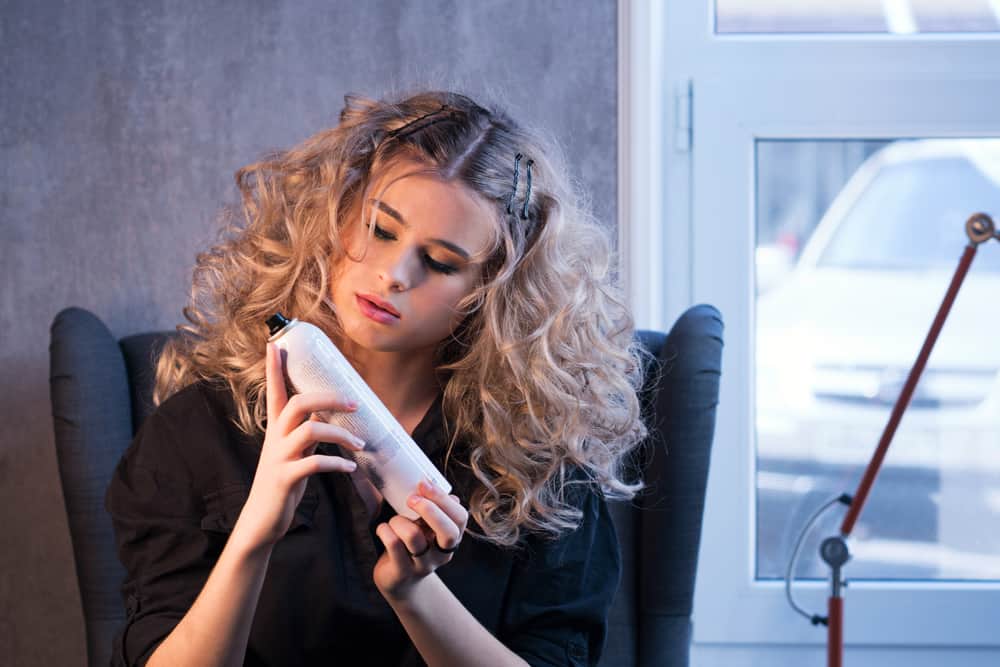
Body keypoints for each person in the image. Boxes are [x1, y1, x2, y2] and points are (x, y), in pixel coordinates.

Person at [106, 89, 651, 667]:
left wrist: (415, 593)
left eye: (440, 263)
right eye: (381, 229)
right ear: (338, 213)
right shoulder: (198, 431)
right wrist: (253, 537)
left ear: (491, 293)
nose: (393, 274)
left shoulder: (540, 465)